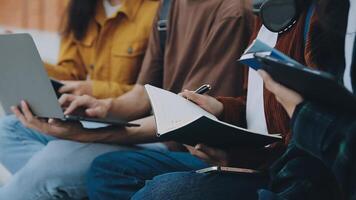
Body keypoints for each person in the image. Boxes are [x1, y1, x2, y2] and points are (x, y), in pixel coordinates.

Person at [0, 0, 253, 199]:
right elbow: (143, 90)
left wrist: (85, 134)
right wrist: (105, 107)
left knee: (52, 162)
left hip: (173, 142)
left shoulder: (230, 13)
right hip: (140, 125)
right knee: (10, 129)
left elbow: (188, 118)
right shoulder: (169, 6)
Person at [83, 0, 320, 199]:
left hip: (281, 174)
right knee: (106, 171)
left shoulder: (316, 22)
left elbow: (317, 137)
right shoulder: (266, 15)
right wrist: (219, 107)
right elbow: (256, 105)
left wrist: (239, 157)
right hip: (252, 159)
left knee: (161, 192)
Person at [256, 0, 356, 199]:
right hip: (289, 170)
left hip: (294, 169)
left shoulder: (316, 17)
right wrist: (223, 109)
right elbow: (255, 106)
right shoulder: (263, 15)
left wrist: (301, 114)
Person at [45, 0, 159, 98]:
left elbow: (151, 93)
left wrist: (93, 90)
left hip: (133, 120)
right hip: (84, 113)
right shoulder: (78, 5)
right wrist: (34, 67)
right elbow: (70, 76)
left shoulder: (156, 10)